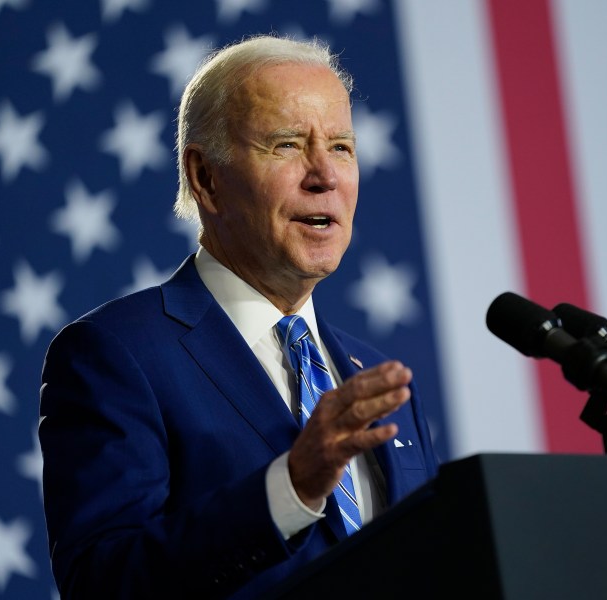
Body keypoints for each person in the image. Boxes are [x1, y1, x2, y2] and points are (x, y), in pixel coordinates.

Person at [38, 34, 439, 599]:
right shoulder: (118, 354)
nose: (324, 174)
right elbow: (104, 583)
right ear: (206, 178)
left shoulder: (372, 375)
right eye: (287, 145)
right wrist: (289, 488)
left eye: (342, 147)